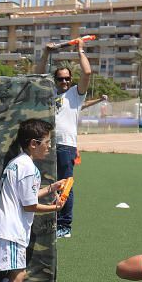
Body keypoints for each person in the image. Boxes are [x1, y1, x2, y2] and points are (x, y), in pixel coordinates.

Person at [0, 119, 66, 282]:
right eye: (46, 142)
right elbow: (29, 204)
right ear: (33, 143)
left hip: (5, 228)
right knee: (18, 275)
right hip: (11, 230)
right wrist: (54, 208)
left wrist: (50, 188)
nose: (48, 146)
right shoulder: (28, 167)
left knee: (12, 275)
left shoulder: (19, 162)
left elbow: (26, 195)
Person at [35, 39, 93, 239]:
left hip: (65, 146)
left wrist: (80, 50)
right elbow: (37, 76)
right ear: (55, 80)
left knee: (65, 185)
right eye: (60, 79)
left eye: (67, 79)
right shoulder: (48, 92)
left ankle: (65, 225)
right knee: (45, 184)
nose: (65, 82)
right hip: (45, 145)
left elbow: (87, 73)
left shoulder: (75, 94)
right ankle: (47, 221)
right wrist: (45, 53)